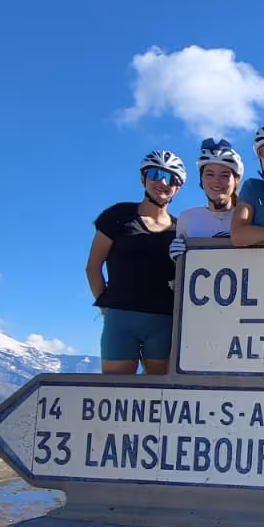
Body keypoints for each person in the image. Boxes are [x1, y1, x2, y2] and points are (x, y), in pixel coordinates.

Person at [85, 150, 183, 374]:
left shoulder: (180, 229)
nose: (162, 182)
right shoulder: (118, 216)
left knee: (159, 390)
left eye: (171, 178)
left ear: (178, 187)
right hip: (121, 320)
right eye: (155, 174)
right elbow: (93, 267)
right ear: (143, 178)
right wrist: (106, 307)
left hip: (163, 321)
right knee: (115, 388)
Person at [174, 137, 244, 244]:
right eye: (210, 174)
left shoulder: (249, 217)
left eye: (225, 175)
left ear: (236, 181)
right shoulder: (186, 218)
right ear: (201, 179)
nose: (216, 181)